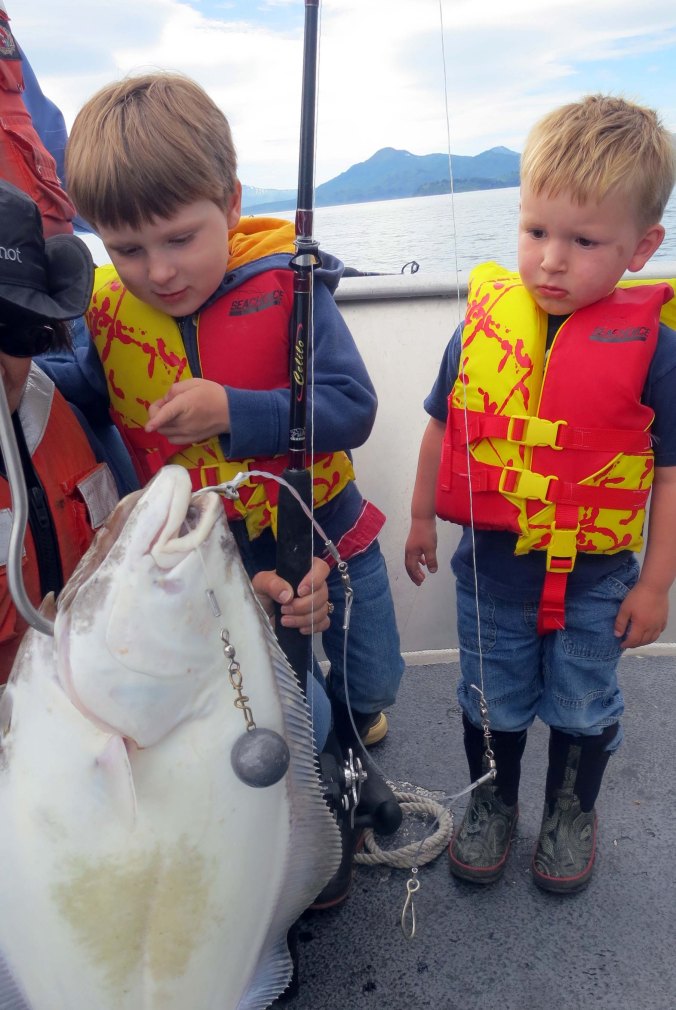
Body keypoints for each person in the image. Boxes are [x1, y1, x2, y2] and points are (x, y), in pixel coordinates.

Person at [60, 72, 405, 758]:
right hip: (219, 557)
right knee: (279, 696)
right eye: (126, 249)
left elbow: (352, 406)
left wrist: (232, 411)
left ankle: (361, 716)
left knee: (374, 672)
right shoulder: (101, 315)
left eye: (180, 239)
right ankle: (318, 755)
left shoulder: (291, 288)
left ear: (232, 204)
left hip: (328, 528)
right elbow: (82, 395)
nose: (158, 272)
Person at [405, 94, 676, 893]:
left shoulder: (657, 350)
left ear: (641, 247)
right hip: (492, 573)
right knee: (490, 697)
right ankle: (493, 803)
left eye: (583, 240)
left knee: (586, 701)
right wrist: (421, 516)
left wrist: (656, 582)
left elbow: (669, 471)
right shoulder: (481, 332)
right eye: (536, 232)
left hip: (598, 580)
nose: (552, 260)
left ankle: (571, 808)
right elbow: (439, 427)